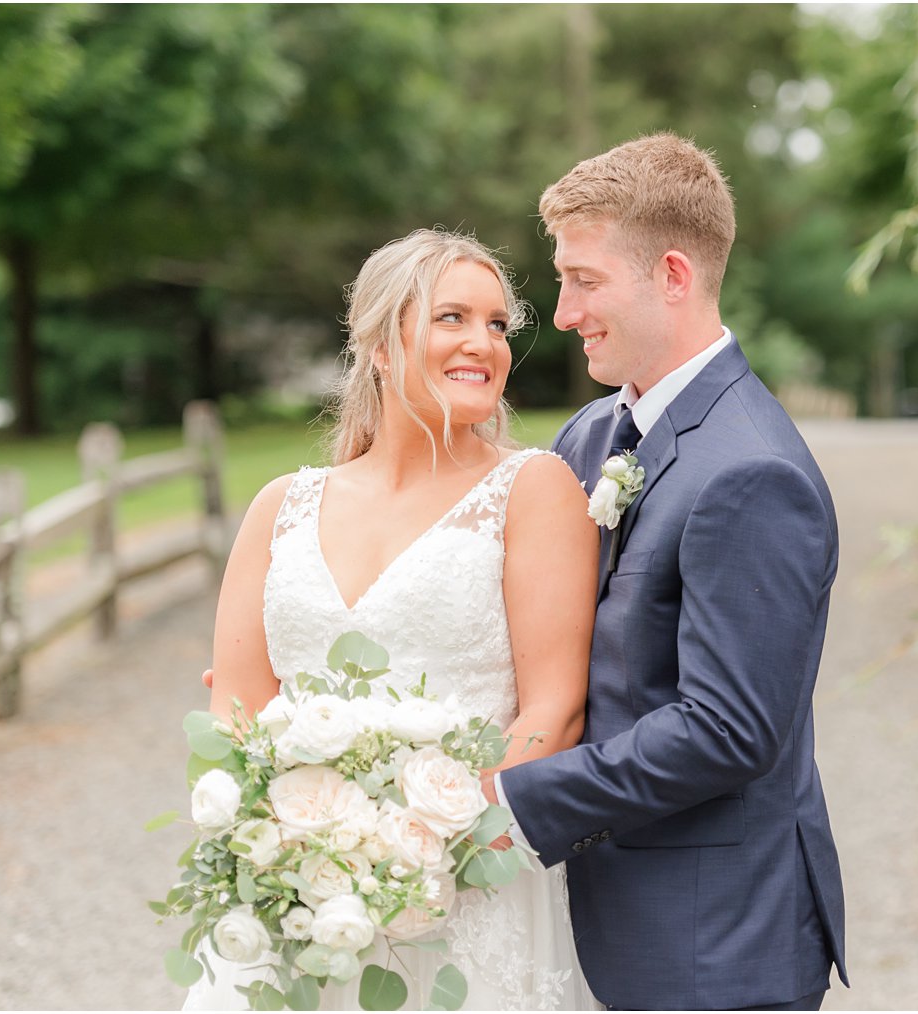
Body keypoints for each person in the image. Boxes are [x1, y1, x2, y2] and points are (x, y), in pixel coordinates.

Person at [185, 229, 601, 1010]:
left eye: (497, 325)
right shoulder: (282, 506)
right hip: (297, 893)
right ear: (380, 346)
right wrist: (301, 852)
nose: (483, 342)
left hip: (470, 888)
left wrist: (410, 850)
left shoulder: (533, 490)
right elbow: (235, 707)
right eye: (453, 318)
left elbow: (557, 711)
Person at [489, 133, 849, 1010]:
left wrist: (513, 798)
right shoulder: (589, 434)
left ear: (674, 276)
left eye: (586, 280)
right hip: (594, 916)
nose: (564, 312)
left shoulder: (753, 471)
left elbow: (727, 730)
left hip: (709, 943)